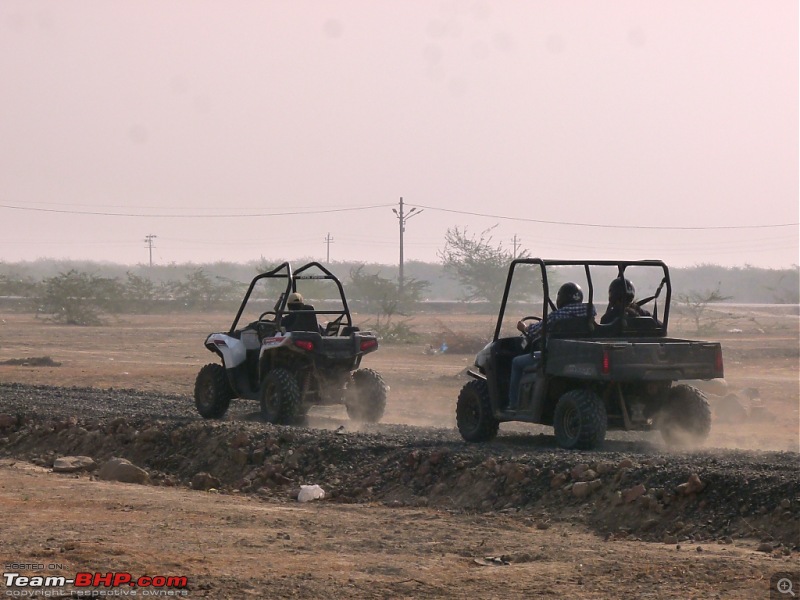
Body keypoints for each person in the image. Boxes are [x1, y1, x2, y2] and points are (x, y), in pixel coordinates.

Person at [507, 282, 595, 411]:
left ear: (561, 299)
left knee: (516, 362)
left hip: (555, 356)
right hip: (580, 354)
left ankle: (513, 404)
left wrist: (523, 327)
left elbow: (533, 331)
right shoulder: (589, 312)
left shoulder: (556, 316)